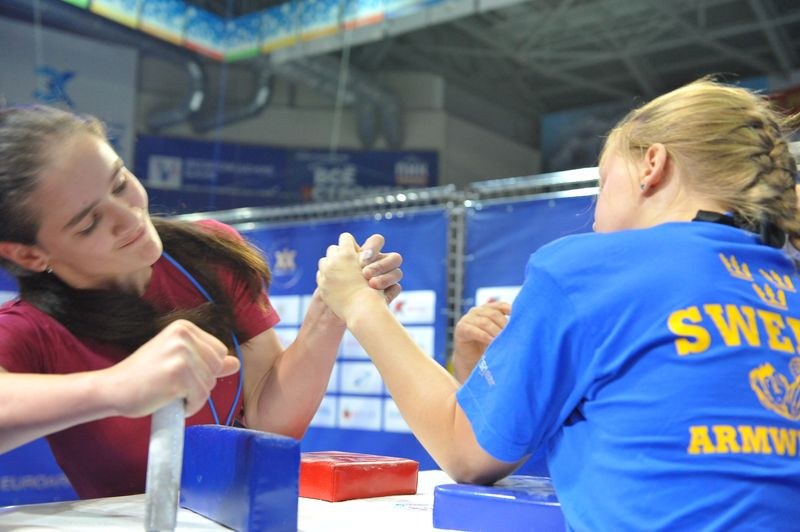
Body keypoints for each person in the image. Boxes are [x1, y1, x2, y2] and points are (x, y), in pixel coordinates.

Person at [316, 77, 800, 529]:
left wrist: (359, 303)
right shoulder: (786, 280)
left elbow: (465, 455)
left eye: (603, 183)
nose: (596, 216)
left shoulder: (589, 268)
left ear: (652, 165)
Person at [0, 104, 402, 499]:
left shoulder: (208, 254)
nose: (129, 216)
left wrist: (330, 310)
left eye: (120, 183)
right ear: (29, 254)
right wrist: (116, 387)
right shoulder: (29, 328)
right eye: (89, 223)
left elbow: (269, 422)